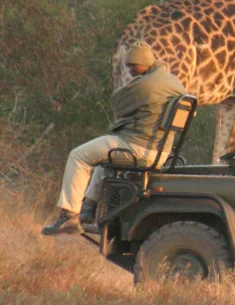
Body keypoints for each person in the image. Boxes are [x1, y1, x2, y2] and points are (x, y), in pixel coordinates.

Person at [42, 43, 185, 236]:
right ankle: (87, 210)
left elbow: (118, 104)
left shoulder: (146, 85)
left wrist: (130, 83)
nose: (130, 69)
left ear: (144, 62)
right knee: (103, 158)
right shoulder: (174, 82)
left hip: (137, 147)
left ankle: (68, 216)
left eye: (133, 65)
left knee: (78, 155)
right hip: (161, 152)